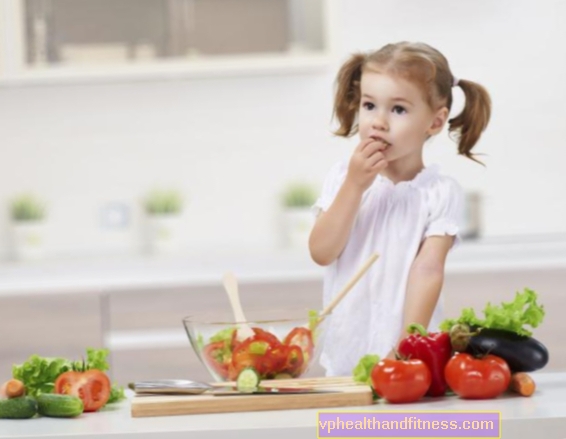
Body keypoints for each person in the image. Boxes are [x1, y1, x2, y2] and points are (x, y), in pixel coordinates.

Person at [309, 41, 492, 376]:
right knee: (348, 429)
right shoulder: (342, 178)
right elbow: (322, 252)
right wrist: (354, 185)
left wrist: (407, 348)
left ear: (435, 122)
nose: (378, 122)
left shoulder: (439, 193)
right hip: (346, 351)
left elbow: (428, 271)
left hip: (408, 357)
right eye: (369, 105)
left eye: (398, 110)